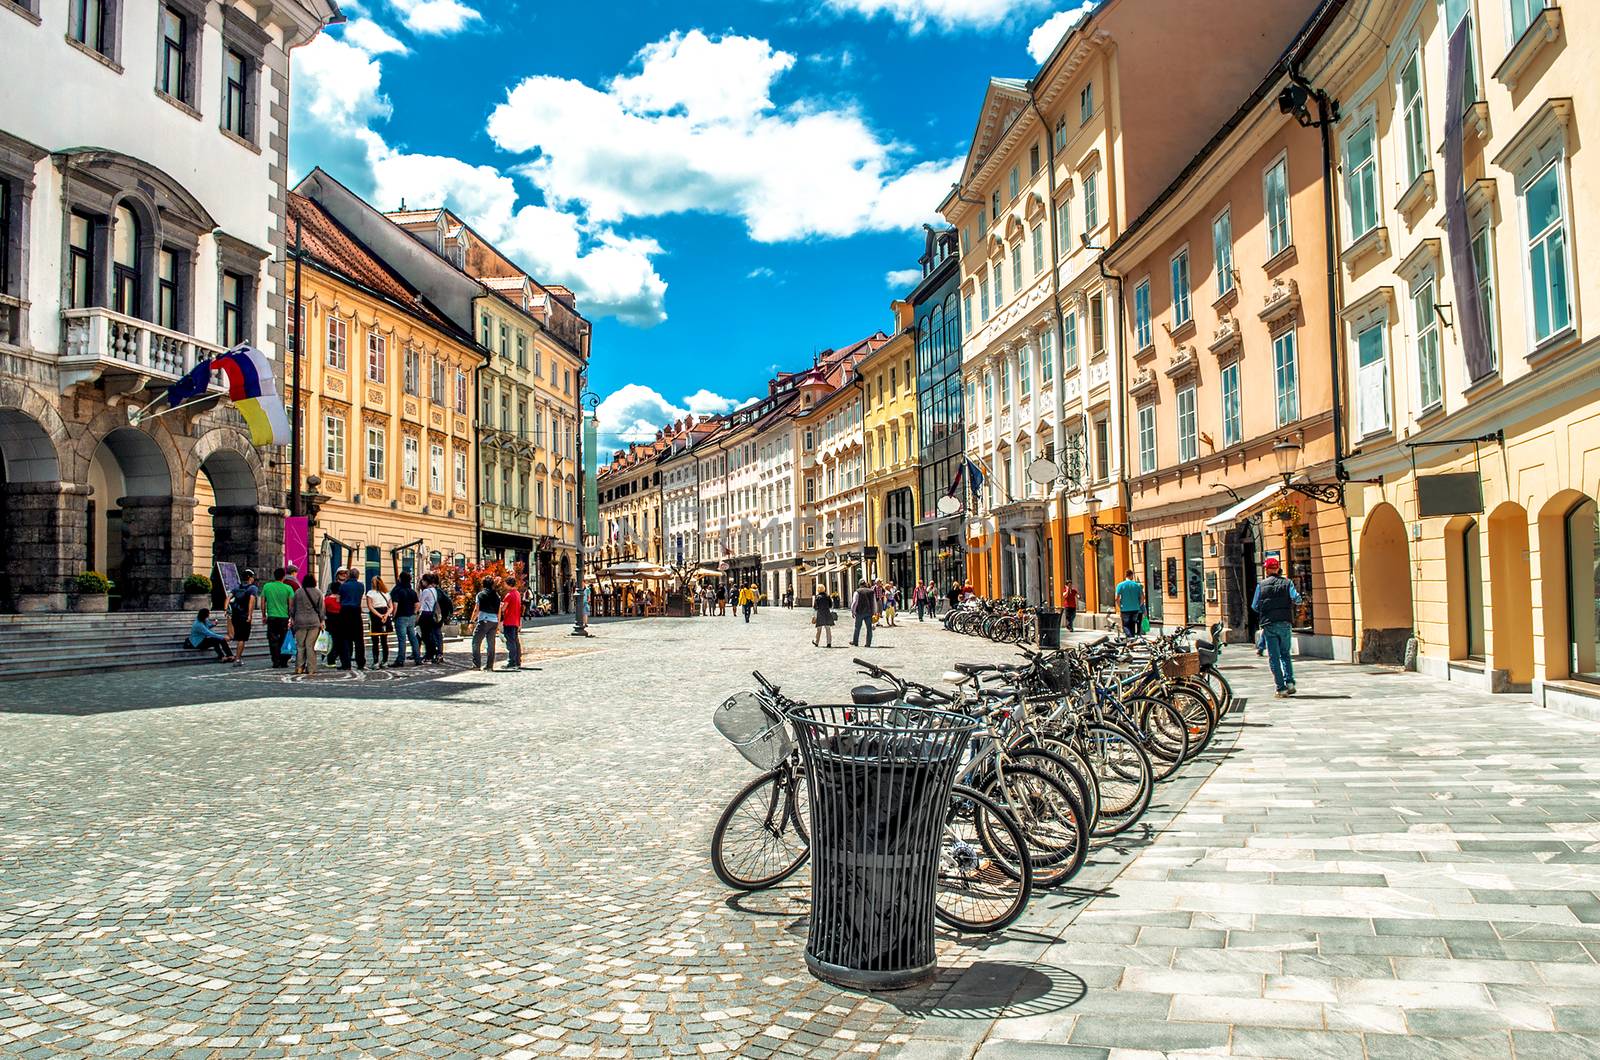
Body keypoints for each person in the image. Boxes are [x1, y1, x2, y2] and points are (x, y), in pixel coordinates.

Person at [1252, 556, 1301, 697]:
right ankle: (1290, 683)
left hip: (1269, 624)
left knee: (1274, 657)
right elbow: (1296, 598)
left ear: (1266, 570)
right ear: (1278, 568)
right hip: (1285, 623)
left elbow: (1254, 606)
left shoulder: (1261, 585)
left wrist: (1265, 609)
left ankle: (1281, 688)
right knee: (1285, 654)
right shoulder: (1287, 583)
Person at [289, 574, 325, 676]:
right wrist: (322, 620)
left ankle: (299, 667)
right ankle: (311, 668)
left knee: (300, 646)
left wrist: (292, 617)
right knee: (310, 646)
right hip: (314, 621)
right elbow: (321, 609)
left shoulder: (298, 592)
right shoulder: (318, 592)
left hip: (300, 621)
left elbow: (292, 608)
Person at [261, 567, 294, 669]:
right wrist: (291, 617)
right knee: (284, 639)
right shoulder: (288, 588)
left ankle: (275, 661)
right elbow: (291, 605)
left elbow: (262, 603)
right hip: (284, 617)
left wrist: (263, 615)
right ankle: (283, 661)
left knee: (272, 640)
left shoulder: (267, 586)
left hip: (271, 617)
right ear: (283, 576)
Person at [336, 567, 368, 670]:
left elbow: (338, 600)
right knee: (359, 639)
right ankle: (360, 662)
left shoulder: (343, 586)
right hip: (356, 612)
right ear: (357, 576)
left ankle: (346, 663)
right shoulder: (361, 586)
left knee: (344, 639)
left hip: (345, 612)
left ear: (349, 575)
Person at [227, 568, 260, 666]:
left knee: (237, 636)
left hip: (236, 615)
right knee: (242, 638)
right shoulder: (252, 588)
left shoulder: (237, 587)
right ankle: (237, 659)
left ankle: (235, 656)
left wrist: (226, 609)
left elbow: (228, 597)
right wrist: (250, 614)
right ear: (250, 578)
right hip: (244, 615)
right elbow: (251, 600)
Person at [391, 571, 421, 666]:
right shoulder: (412, 592)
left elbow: (395, 605)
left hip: (401, 616)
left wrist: (393, 615)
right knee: (413, 638)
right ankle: (417, 658)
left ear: (400, 579)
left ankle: (400, 660)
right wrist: (414, 613)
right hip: (411, 616)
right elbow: (417, 604)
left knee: (402, 639)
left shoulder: (398, 590)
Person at [471, 575, 501, 671]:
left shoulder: (480, 594)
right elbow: (499, 610)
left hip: (484, 620)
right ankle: (489, 665)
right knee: (491, 644)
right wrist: (498, 623)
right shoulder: (497, 595)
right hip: (494, 621)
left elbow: (477, 609)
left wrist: (472, 621)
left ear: (483, 584)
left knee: (476, 642)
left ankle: (476, 664)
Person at [365, 576, 393, 668]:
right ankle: (385, 661)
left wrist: (379, 615)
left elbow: (370, 606)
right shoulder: (386, 593)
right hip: (385, 615)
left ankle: (376, 662)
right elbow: (391, 607)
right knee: (384, 641)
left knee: (375, 641)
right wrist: (386, 615)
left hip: (375, 617)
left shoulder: (370, 593)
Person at [500, 576, 523, 671]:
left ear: (509, 584)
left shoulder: (509, 595)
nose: (504, 585)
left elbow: (503, 609)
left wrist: (500, 605)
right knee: (515, 641)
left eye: (505, 583)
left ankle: (512, 661)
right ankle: (517, 661)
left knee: (510, 642)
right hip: (515, 621)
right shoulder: (517, 593)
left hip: (509, 621)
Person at [1114, 569, 1145, 639]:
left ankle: (1130, 638)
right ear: (1131, 575)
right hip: (1135, 609)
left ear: (1125, 575)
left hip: (1125, 609)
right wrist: (1139, 605)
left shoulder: (1120, 585)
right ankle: (1132, 639)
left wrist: (1120, 606)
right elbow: (1143, 597)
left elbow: (1116, 598)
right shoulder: (1137, 585)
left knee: (1126, 625)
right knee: (1132, 624)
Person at [418, 574, 441, 665]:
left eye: (423, 581)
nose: (422, 582)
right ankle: (431, 653)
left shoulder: (426, 591)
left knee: (425, 636)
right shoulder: (434, 590)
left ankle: (429, 654)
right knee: (429, 635)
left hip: (425, 614)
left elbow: (420, 603)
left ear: (426, 581)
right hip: (431, 614)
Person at [849, 580, 877, 648]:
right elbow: (874, 603)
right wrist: (874, 612)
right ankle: (868, 643)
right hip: (869, 612)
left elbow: (855, 602)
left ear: (859, 584)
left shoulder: (857, 591)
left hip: (859, 612)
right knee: (869, 628)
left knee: (857, 627)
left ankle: (855, 642)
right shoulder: (871, 591)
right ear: (865, 584)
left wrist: (853, 611)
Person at [811, 582, 835, 647]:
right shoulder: (828, 596)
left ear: (818, 590)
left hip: (820, 614)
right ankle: (829, 643)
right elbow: (830, 605)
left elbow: (815, 607)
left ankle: (816, 642)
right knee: (828, 629)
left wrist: (814, 615)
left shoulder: (817, 597)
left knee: (819, 629)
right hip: (827, 613)